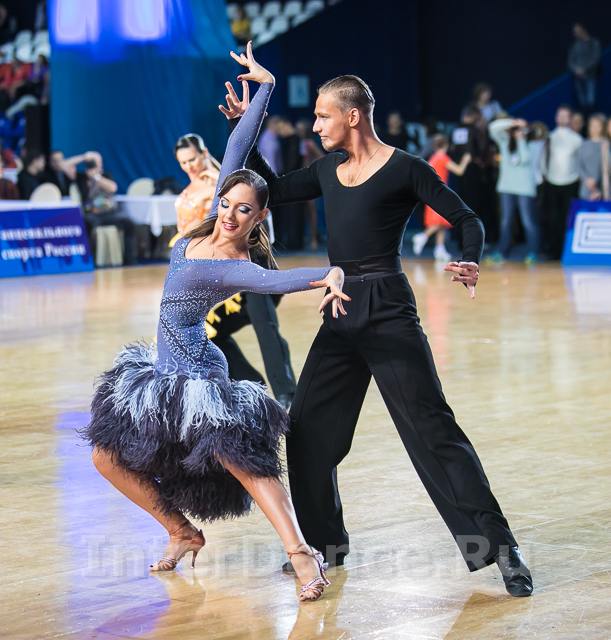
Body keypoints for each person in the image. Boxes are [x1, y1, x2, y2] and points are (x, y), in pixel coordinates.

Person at [224, 73, 533, 597]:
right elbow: (271, 187)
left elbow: (466, 218)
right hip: (339, 307)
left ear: (352, 116)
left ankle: (502, 551)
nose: (315, 125)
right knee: (306, 433)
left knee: (434, 432)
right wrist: (244, 127)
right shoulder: (326, 170)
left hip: (388, 309)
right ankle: (325, 544)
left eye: (322, 116)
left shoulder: (406, 168)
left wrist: (472, 258)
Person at [82, 45, 348, 602]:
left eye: (244, 209)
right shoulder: (209, 220)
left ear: (259, 216)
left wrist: (330, 273)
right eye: (227, 203)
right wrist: (266, 86)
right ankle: (181, 530)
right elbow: (236, 147)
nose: (230, 213)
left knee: (239, 458)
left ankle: (302, 553)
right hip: (161, 373)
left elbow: (279, 282)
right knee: (106, 456)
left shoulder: (236, 265)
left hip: (199, 376)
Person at [173, 125, 298, 409]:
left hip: (245, 266)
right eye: (183, 162)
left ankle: (286, 393)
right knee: (208, 332)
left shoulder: (224, 185)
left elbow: (249, 220)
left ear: (204, 154)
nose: (189, 166)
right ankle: (252, 385)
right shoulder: (188, 191)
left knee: (264, 323)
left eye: (192, 159)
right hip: (210, 275)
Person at [488, 118, 540, 263]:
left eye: (522, 130)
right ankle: (502, 252)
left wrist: (521, 141)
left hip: (525, 189)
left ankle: (533, 252)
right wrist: (512, 122)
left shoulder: (532, 145)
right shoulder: (504, 142)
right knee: (506, 221)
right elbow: (492, 128)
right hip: (506, 188)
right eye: (516, 130)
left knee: (528, 221)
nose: (519, 132)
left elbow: (525, 159)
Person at [412, 134, 471, 261]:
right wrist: (466, 159)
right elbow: (459, 171)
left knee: (442, 222)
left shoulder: (432, 158)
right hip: (439, 194)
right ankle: (423, 236)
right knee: (439, 222)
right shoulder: (443, 158)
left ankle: (440, 249)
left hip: (432, 193)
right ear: (446, 145)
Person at [76, 154, 137, 265]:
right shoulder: (82, 178)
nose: (93, 166)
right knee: (87, 224)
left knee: (128, 223)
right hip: (92, 214)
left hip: (108, 214)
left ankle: (129, 260)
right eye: (91, 164)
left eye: (96, 163)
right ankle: (88, 261)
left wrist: (96, 177)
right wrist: (83, 157)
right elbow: (63, 166)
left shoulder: (106, 176)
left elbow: (113, 188)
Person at [540, 105, 582, 260]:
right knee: (553, 218)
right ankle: (554, 249)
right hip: (552, 182)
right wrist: (543, 173)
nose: (563, 118)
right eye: (560, 115)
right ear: (556, 118)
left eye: (566, 115)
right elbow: (543, 157)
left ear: (570, 118)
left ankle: (567, 249)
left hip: (571, 182)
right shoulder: (550, 137)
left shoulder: (577, 139)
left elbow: (580, 161)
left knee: (567, 218)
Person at [296, 119, 325, 249]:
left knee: (312, 210)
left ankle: (313, 239)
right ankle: (308, 236)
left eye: (301, 129)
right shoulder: (296, 143)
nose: (299, 132)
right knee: (305, 211)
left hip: (308, 179)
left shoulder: (309, 143)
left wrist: (312, 168)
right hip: (298, 178)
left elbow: (321, 156)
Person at [568, 22, 601, 115]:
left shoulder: (594, 42)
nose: (576, 34)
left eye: (578, 31)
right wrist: (577, 70)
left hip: (590, 75)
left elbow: (595, 59)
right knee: (582, 103)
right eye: (575, 32)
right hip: (578, 77)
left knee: (591, 101)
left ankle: (593, 118)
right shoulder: (574, 45)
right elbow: (570, 61)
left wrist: (585, 70)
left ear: (584, 30)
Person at [578, 113, 609, 201]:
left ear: (602, 127)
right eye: (592, 125)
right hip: (586, 187)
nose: (595, 128)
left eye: (597, 126)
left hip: (604, 189)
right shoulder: (583, 144)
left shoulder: (606, 144)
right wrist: (587, 179)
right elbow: (579, 165)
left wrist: (596, 184)